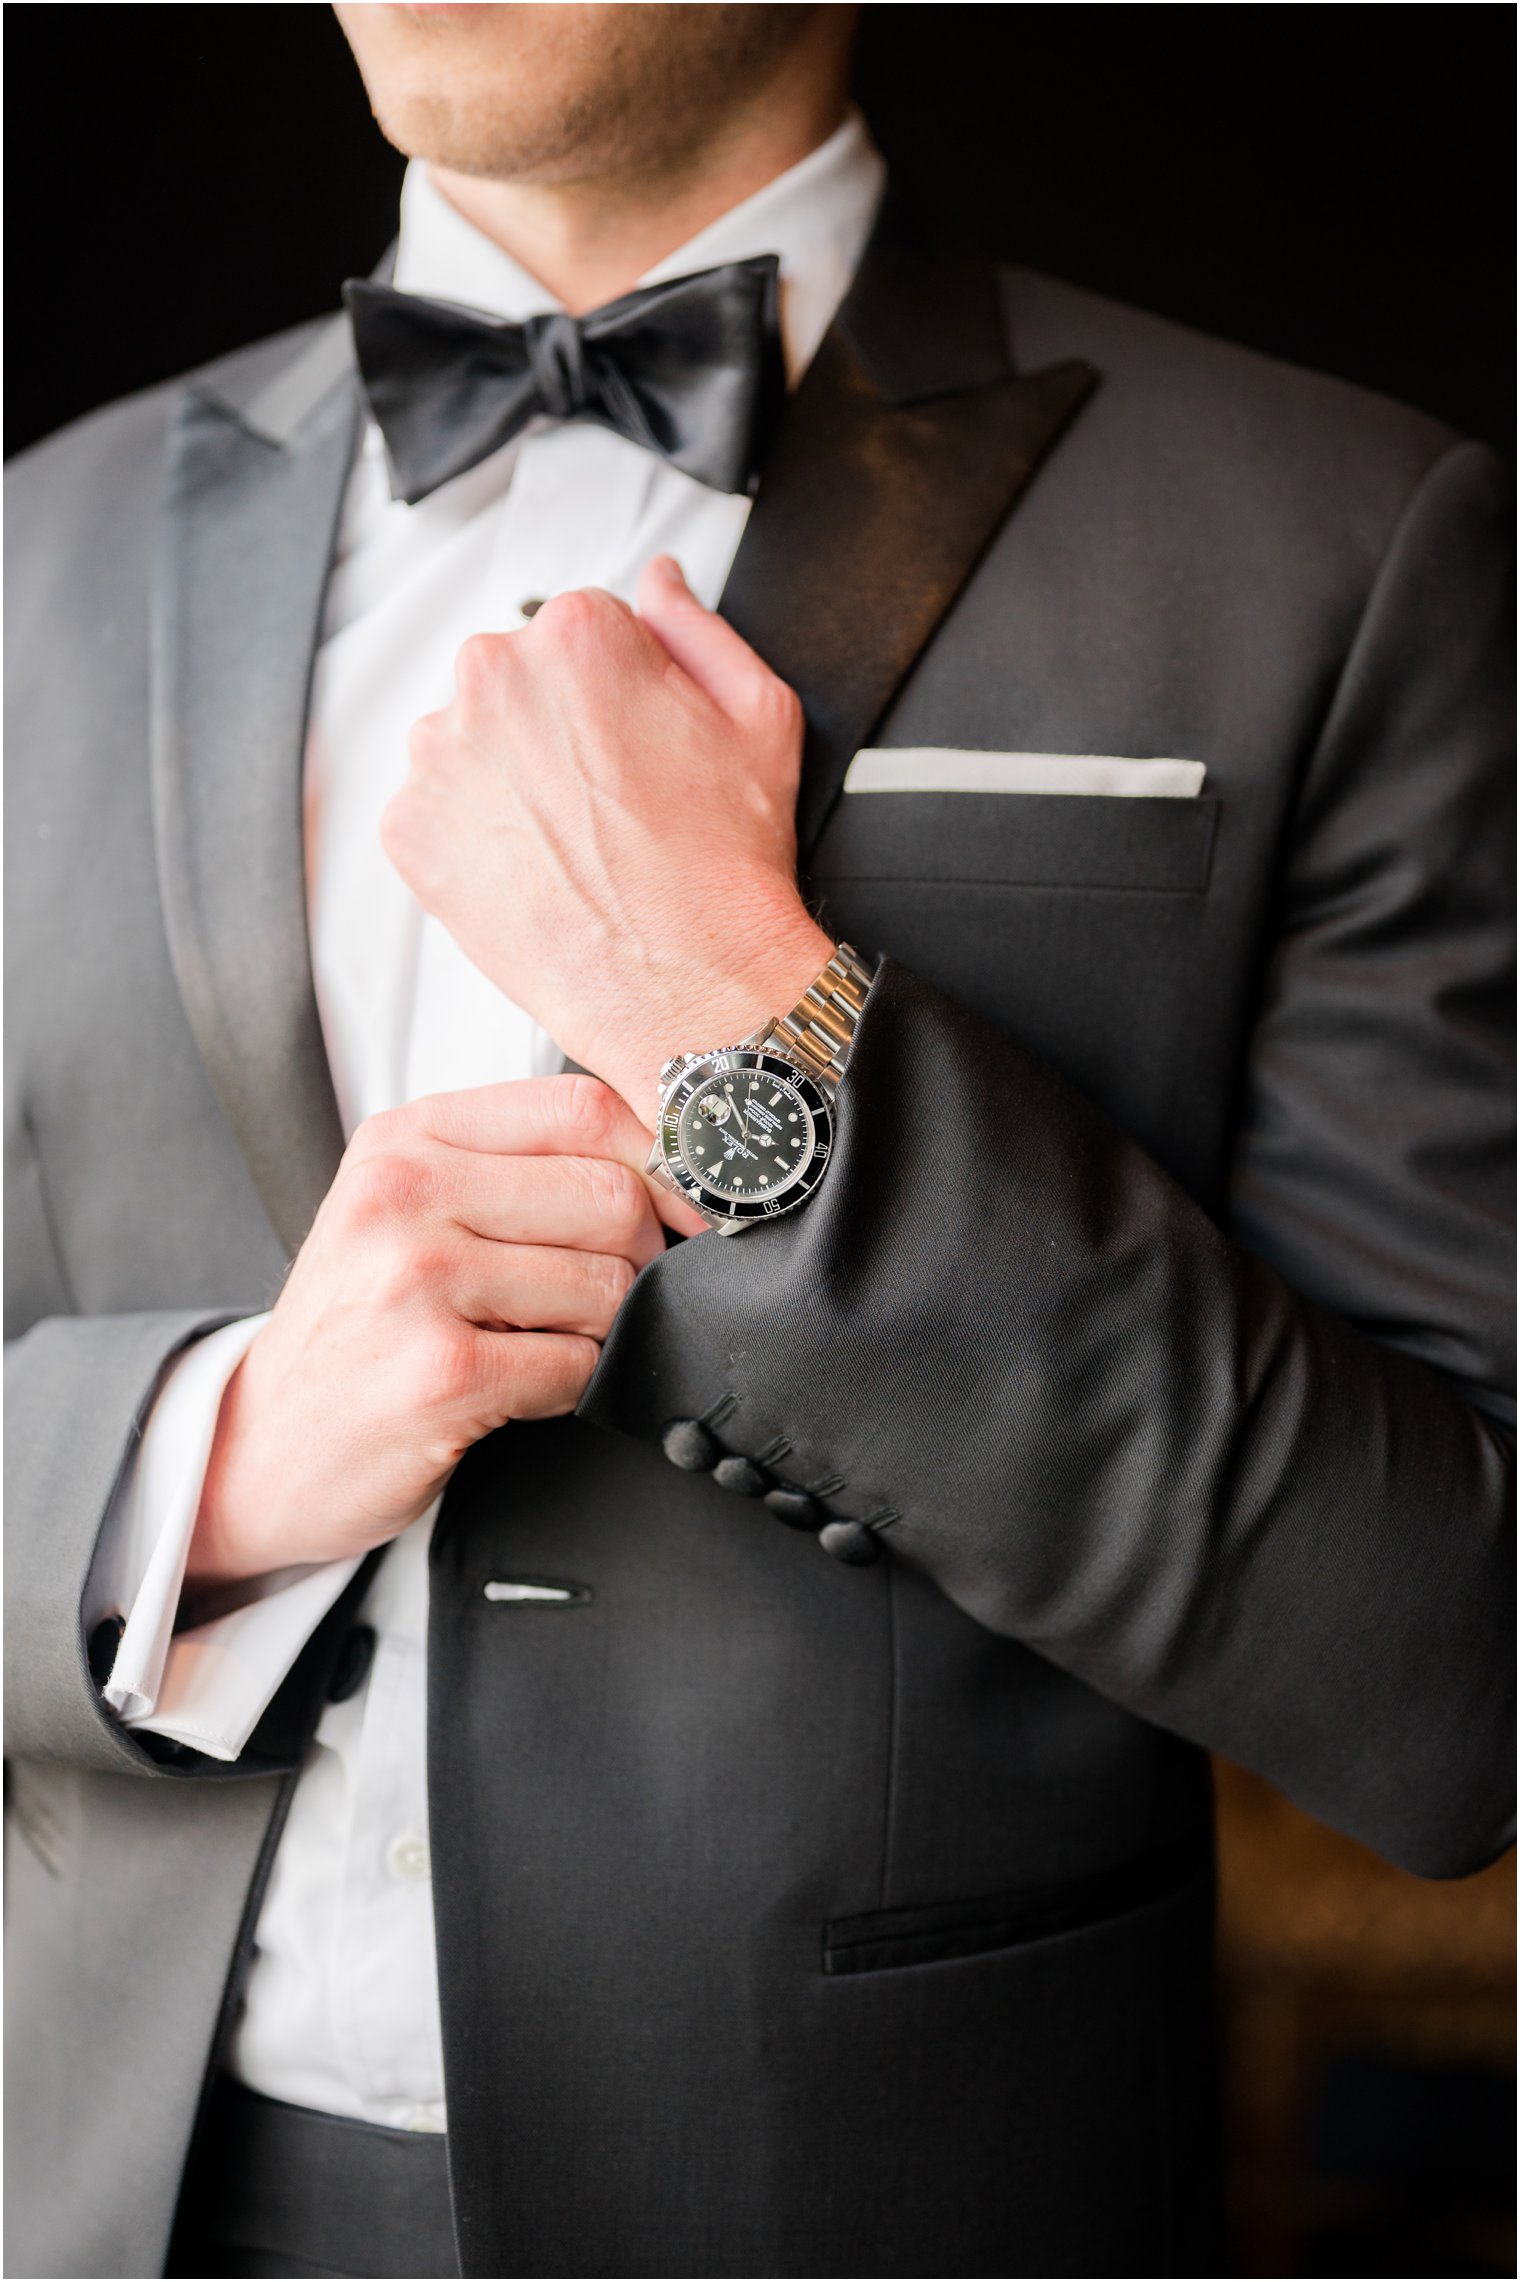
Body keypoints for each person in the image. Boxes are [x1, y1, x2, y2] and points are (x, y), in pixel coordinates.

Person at [5, 4, 1512, 2276]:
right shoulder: (36, 546)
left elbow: (1452, 1659)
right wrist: (197, 1458)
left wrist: (753, 1026)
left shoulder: (1345, 540)